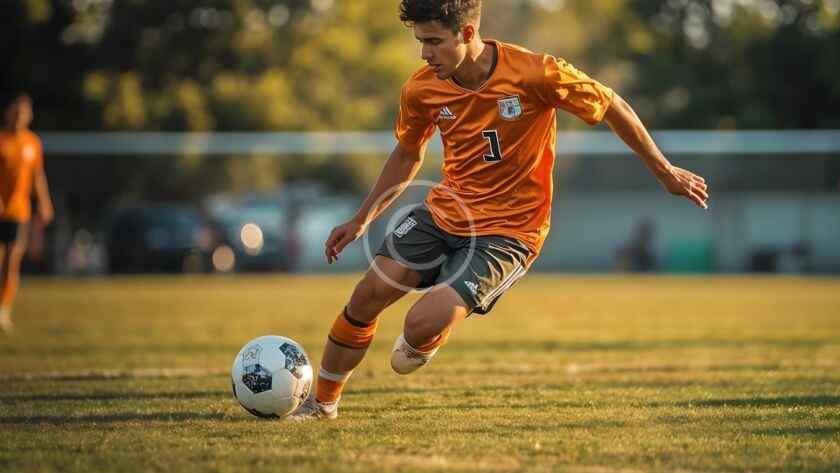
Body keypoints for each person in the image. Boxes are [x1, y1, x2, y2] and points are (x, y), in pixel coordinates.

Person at [290, 0, 709, 420]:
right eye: (420, 41)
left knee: (419, 324)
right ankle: (322, 404)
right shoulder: (421, 89)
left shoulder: (536, 72)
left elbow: (611, 104)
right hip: (444, 212)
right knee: (367, 296)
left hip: (510, 232)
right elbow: (408, 153)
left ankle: (428, 335)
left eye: (433, 42)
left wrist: (665, 171)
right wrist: (362, 218)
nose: (424, 53)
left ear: (468, 33)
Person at [0, 94, 54, 333]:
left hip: (19, 211)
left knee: (11, 260)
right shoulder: (2, 141)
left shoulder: (33, 144)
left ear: (29, 116)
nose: (18, 117)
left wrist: (44, 202)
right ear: (8, 113)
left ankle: (3, 309)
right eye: (15, 112)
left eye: (23, 113)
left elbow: (37, 176)